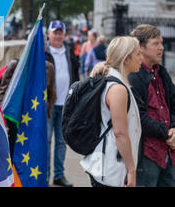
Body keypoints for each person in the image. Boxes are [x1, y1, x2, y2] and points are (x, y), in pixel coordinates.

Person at [81, 36, 142, 187]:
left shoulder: (112, 81)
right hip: (111, 169)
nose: (141, 58)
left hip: (106, 165)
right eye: (138, 54)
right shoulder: (118, 89)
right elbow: (120, 133)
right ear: (126, 59)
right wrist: (132, 170)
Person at [129, 24, 175, 187]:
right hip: (146, 155)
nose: (161, 48)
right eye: (156, 43)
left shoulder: (162, 73)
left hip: (169, 152)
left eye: (161, 43)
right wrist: (166, 133)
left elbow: (174, 105)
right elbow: (138, 118)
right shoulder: (134, 76)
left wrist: (174, 128)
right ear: (141, 47)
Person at [45, 20, 79, 187]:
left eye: (60, 33)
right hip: (47, 106)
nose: (57, 36)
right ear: (49, 34)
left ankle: (59, 175)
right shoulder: (43, 52)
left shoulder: (70, 52)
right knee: (46, 141)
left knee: (61, 142)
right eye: (55, 32)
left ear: (64, 35)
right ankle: (45, 175)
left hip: (66, 105)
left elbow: (76, 76)